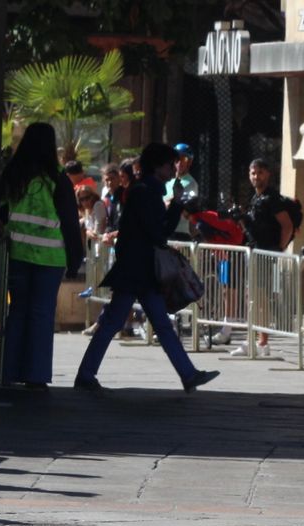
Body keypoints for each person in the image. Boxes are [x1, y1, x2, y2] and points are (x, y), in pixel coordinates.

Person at [73, 141, 220, 393]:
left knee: (136, 322)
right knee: (126, 322)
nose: (173, 169)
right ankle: (86, 375)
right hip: (139, 269)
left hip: (137, 267)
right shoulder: (146, 191)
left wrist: (174, 205)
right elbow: (159, 231)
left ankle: (188, 374)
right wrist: (175, 205)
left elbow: (158, 228)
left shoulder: (143, 190)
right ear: (158, 166)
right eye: (169, 164)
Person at [0, 122, 84, 388]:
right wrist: (75, 259)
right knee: (42, 314)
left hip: (17, 255)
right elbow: (69, 221)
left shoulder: (13, 174)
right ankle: (36, 375)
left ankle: (9, 372)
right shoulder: (57, 178)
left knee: (17, 311)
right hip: (49, 260)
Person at [242, 157, 295, 357]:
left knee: (260, 297)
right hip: (255, 251)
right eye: (253, 173)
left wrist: (278, 249)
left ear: (268, 174)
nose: (257, 177)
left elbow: (287, 225)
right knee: (253, 296)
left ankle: (262, 342)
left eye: (260, 173)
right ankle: (256, 339)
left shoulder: (272, 199)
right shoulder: (256, 197)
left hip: (265, 253)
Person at [166, 144, 198, 236]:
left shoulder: (191, 183)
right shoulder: (168, 180)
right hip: (165, 230)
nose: (180, 162)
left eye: (184, 159)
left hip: (179, 233)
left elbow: (180, 205)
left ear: (189, 162)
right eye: (177, 158)